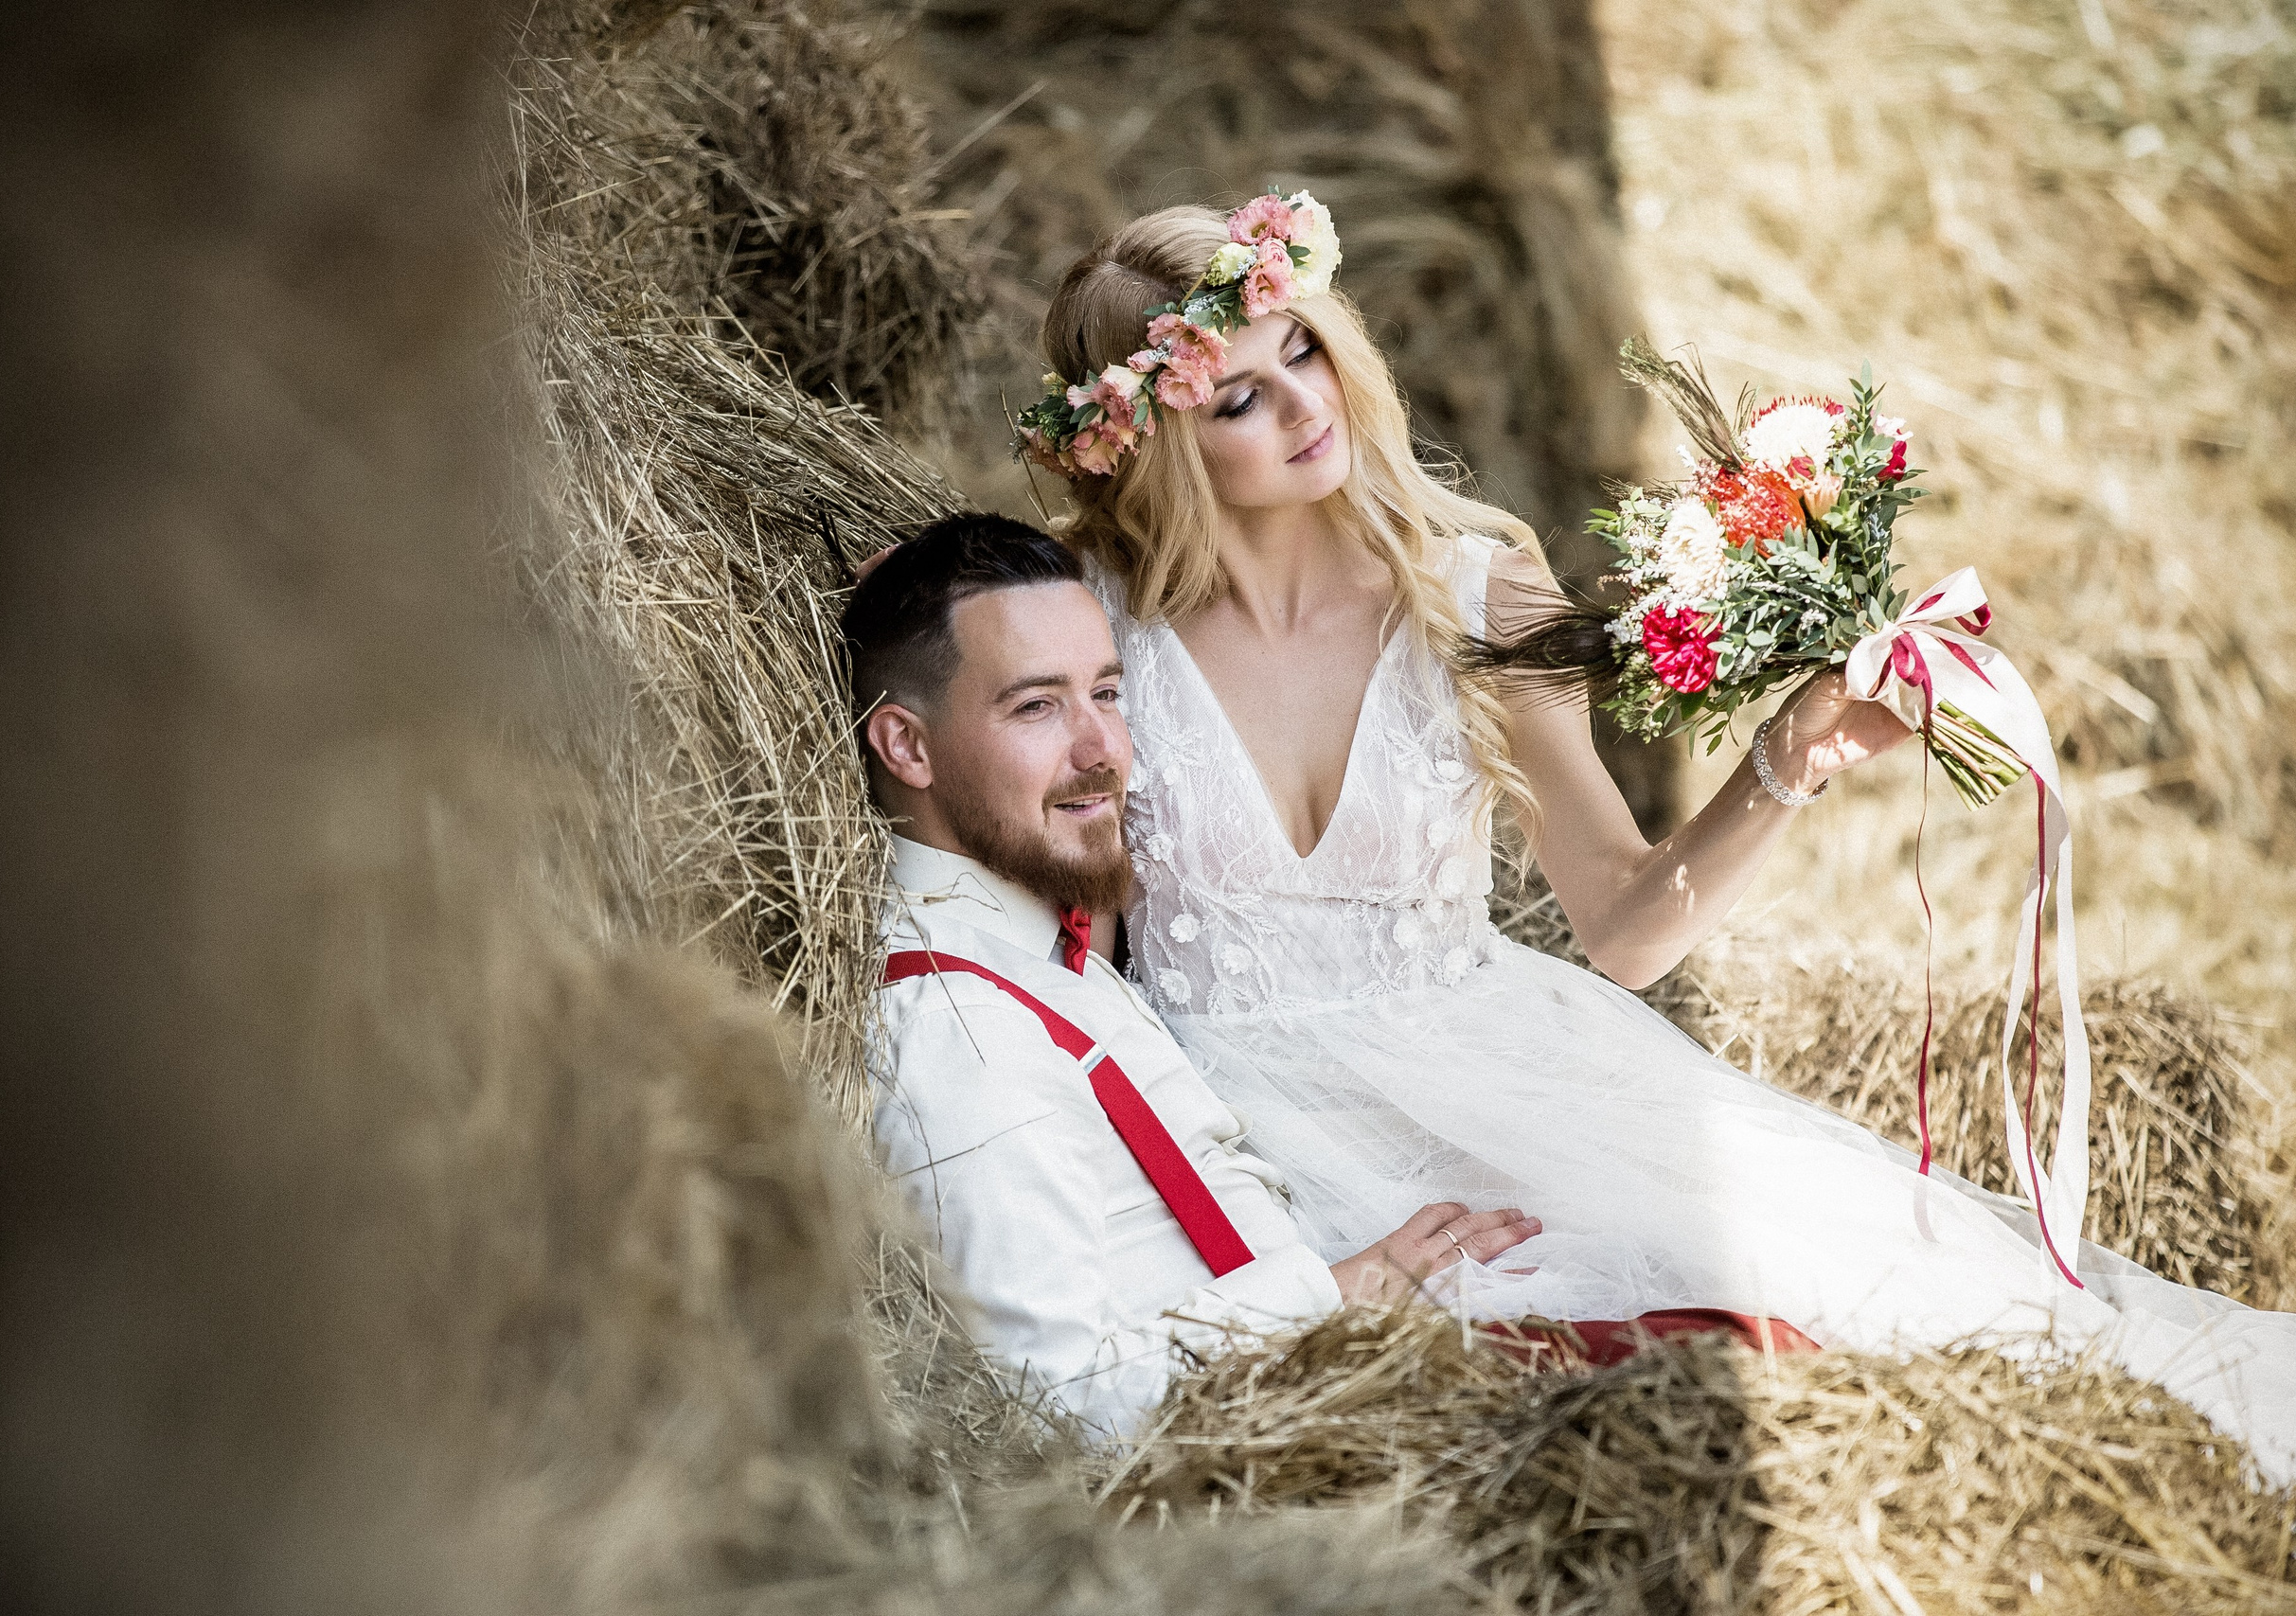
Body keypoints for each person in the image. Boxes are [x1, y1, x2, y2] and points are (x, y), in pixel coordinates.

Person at [1019, 195, 2296, 1480]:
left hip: (1497, 1081)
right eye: (1235, 397)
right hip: (1227, 1121)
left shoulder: (1472, 586)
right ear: (1147, 446)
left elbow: (1626, 928)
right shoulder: (1080, 622)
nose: (1305, 408)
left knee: (1846, 1313)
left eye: (1304, 351)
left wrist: (1784, 765)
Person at [848, 514, 1804, 1438]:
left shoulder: (1042, 953)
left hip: (1330, 1355)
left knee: (1755, 1322)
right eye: (1034, 706)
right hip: (1294, 1419)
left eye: (1108, 692)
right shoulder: (959, 1022)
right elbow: (1050, 1406)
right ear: (906, 746)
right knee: (1747, 1372)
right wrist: (1343, 1289)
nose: (1106, 753)